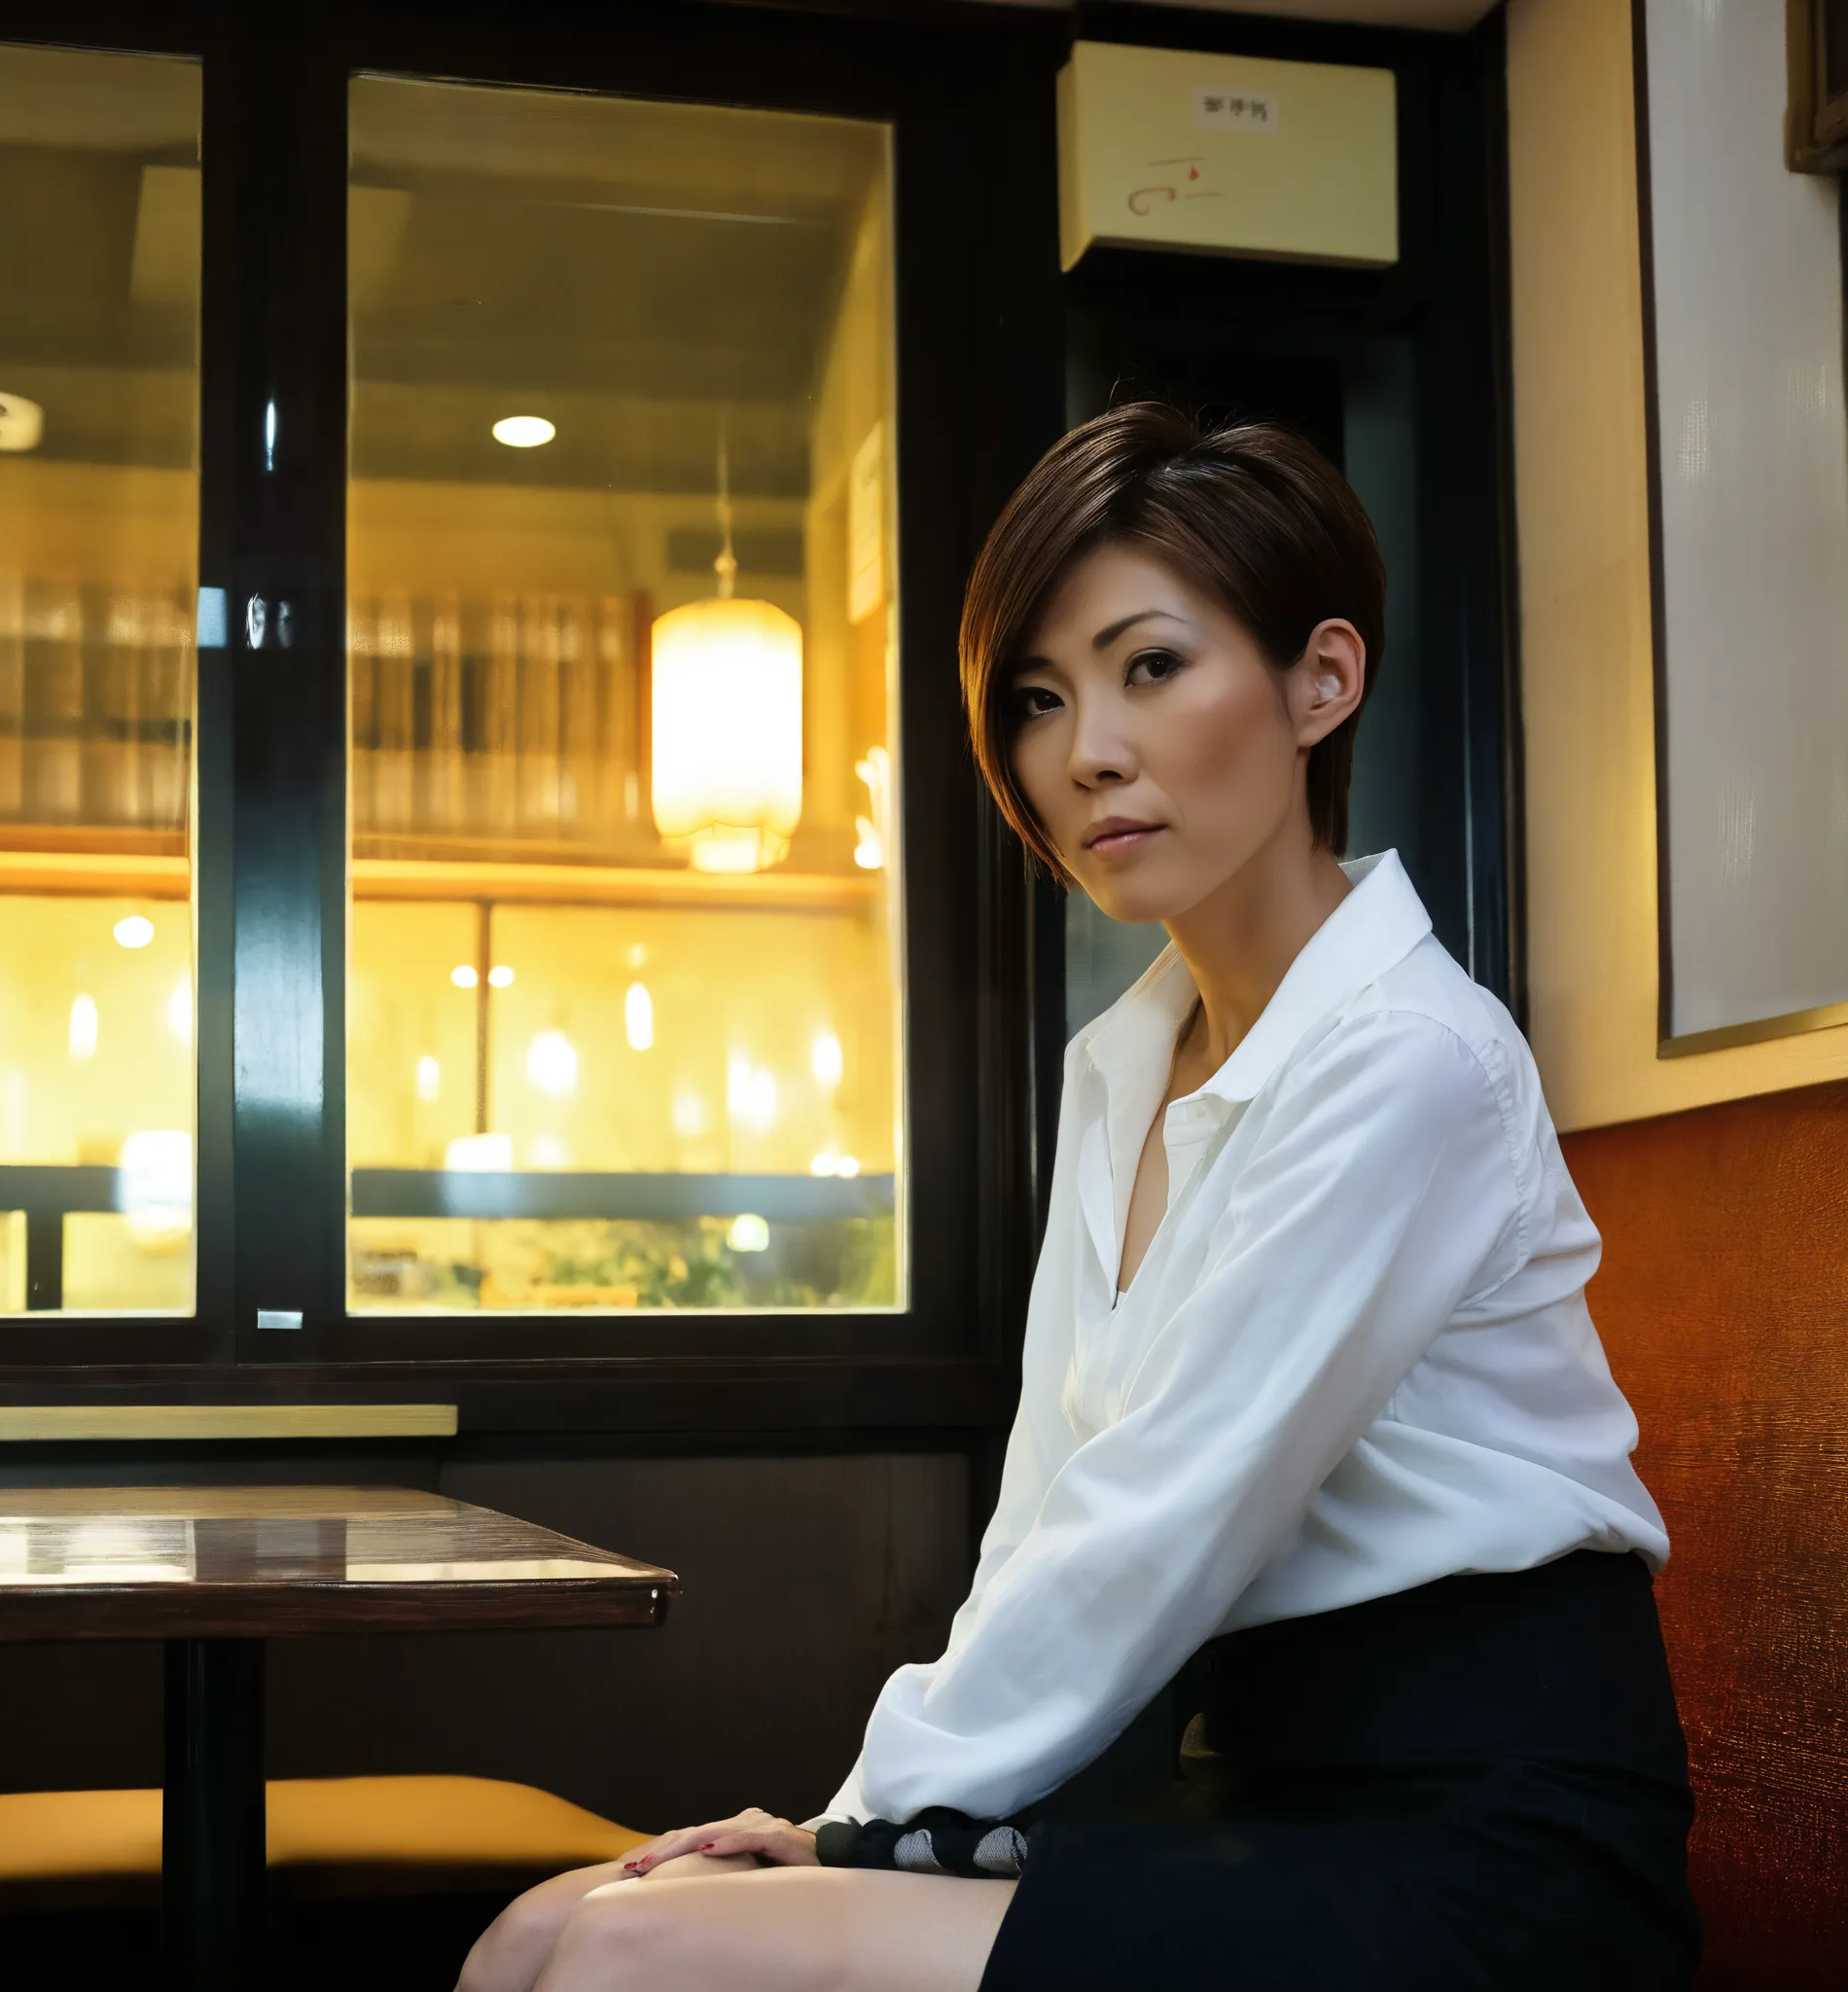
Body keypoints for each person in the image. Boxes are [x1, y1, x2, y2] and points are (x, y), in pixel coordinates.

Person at [456, 401, 1699, 1992]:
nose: (1084, 750)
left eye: (1152, 667)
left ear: (1323, 680)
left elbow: (1163, 1522)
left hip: (1487, 1853)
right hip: (1235, 1798)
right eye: (1039, 699)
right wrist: (866, 1820)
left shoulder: (1412, 1062)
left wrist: (860, 1832)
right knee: (545, 1928)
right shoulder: (1126, 1063)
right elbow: (1052, 1503)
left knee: (641, 1956)